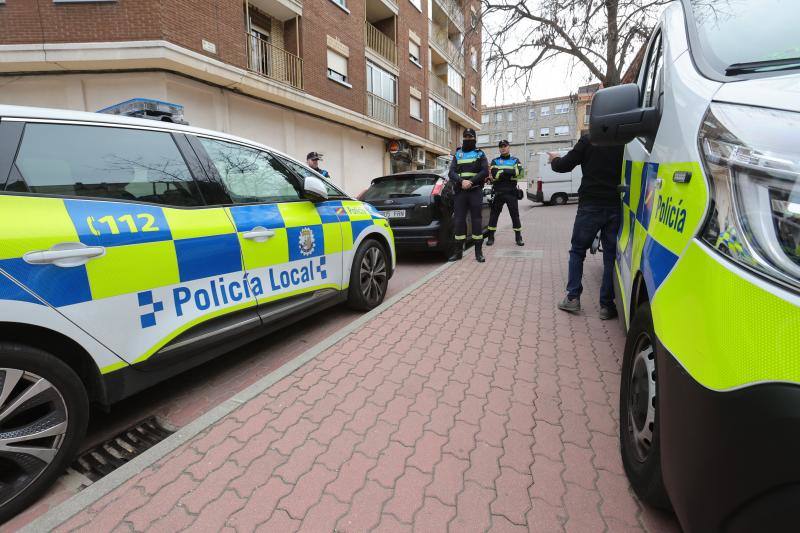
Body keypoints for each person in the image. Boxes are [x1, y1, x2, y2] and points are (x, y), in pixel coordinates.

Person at [549, 134, 624, 320]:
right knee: (610, 256)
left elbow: (563, 166)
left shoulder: (590, 139)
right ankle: (607, 305)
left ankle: (573, 298)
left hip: (590, 205)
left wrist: (554, 158)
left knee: (577, 251)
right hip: (615, 205)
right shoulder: (625, 141)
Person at [448, 128, 489, 263]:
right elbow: (451, 173)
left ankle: (479, 253)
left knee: (476, 221)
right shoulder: (458, 154)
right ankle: (458, 252)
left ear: (475, 139)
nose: (468, 139)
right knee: (459, 222)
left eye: (470, 137)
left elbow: (484, 172)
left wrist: (471, 181)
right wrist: (461, 181)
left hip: (475, 191)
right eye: (465, 136)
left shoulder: (480, 154)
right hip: (460, 192)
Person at [487, 140, 524, 247]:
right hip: (498, 192)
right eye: (501, 146)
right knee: (494, 215)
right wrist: (510, 173)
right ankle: (491, 237)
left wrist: (502, 172)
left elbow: (519, 173)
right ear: (499, 148)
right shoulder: (495, 161)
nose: (503, 148)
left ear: (509, 147)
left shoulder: (515, 160)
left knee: (515, 215)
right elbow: (494, 175)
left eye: (505, 146)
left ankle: (518, 237)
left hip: (511, 193)